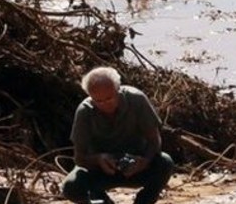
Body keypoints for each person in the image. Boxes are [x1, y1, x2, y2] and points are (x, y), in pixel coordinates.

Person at [62, 67, 175, 204]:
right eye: (98, 101)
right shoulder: (85, 111)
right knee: (70, 186)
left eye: (109, 98)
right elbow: (79, 158)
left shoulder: (136, 100)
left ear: (118, 90)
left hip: (136, 167)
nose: (104, 105)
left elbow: (154, 140)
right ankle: (101, 201)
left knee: (165, 162)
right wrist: (98, 159)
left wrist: (144, 161)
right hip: (102, 171)